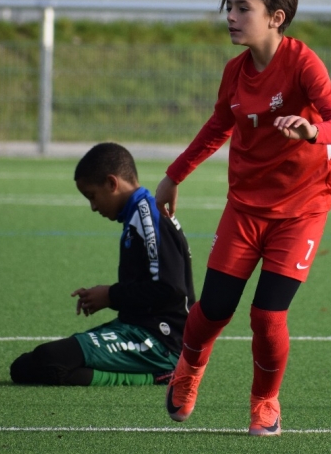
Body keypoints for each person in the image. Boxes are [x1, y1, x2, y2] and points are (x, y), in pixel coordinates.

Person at [155, 0, 331, 435]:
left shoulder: (303, 63)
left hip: (302, 210)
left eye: (244, 8)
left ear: (275, 18)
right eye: (230, 7)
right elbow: (217, 127)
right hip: (245, 208)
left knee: (267, 316)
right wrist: (173, 175)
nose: (231, 16)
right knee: (213, 310)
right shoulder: (235, 72)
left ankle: (265, 400)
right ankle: (189, 368)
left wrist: (312, 130)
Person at [10, 142, 194, 387]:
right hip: (136, 328)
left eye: (92, 196)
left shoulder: (147, 217)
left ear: (111, 183)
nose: (93, 207)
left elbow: (171, 289)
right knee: (25, 366)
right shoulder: (137, 215)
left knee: (50, 361)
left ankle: (163, 373)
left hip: (162, 341)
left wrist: (110, 295)